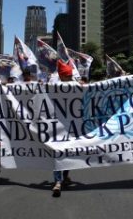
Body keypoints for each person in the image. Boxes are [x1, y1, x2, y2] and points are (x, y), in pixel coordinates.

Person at [52, 59, 75, 197]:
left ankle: (65, 177)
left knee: (68, 154)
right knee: (57, 154)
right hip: (56, 127)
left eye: (71, 76)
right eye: (68, 76)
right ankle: (57, 182)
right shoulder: (52, 87)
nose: (71, 78)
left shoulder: (77, 86)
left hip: (72, 128)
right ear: (61, 76)